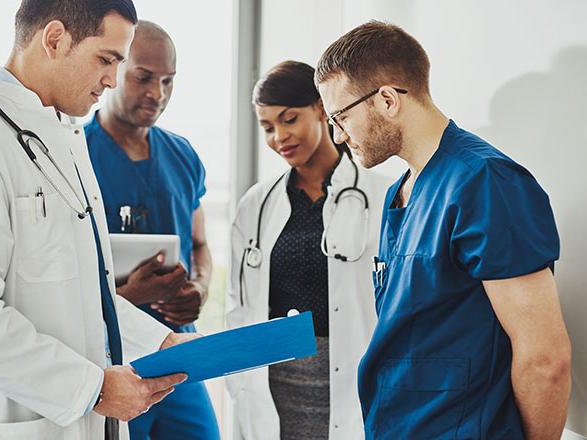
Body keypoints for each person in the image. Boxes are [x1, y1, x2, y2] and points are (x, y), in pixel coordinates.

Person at [0, 2, 195, 439]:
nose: (112, 79)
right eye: (106, 59)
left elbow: (85, 292)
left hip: (85, 418)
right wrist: (92, 389)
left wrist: (161, 342)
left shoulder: (65, 136)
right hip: (10, 419)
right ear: (54, 39)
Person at [315, 21, 572, 439]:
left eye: (340, 117)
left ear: (386, 100)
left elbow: (546, 359)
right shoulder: (400, 192)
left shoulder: (486, 182)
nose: (338, 136)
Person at [226, 61, 391, 440]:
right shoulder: (256, 204)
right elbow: (239, 308)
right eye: (268, 127)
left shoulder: (382, 195)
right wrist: (241, 388)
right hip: (276, 389)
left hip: (354, 383)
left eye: (289, 119)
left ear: (321, 108)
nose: (279, 137)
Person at [85, 21, 219, 440]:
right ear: (113, 71)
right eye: (144, 77)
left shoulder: (183, 156)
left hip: (179, 352)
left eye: (168, 81)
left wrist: (198, 288)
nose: (157, 93)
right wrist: (128, 296)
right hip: (113, 361)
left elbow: (200, 246)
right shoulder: (75, 157)